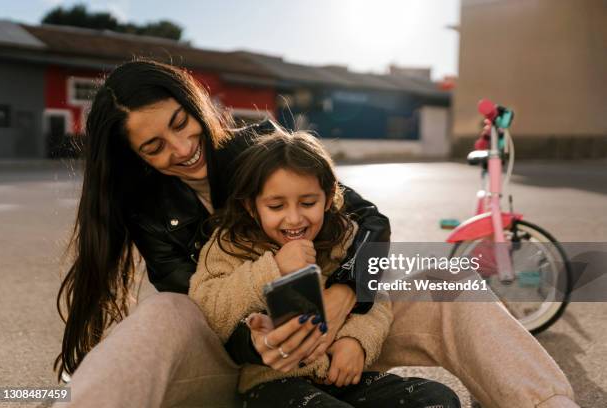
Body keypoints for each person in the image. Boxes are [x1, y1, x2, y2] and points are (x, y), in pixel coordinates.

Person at [54, 59, 578, 408]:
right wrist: (265, 343)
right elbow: (201, 306)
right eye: (155, 147)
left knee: (448, 274)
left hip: (339, 333)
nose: (182, 146)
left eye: (180, 121)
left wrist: (343, 296)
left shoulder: (262, 146)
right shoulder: (144, 210)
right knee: (166, 312)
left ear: (193, 104)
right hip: (239, 361)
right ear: (134, 158)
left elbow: (367, 220)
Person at [188, 130, 461, 407]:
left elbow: (376, 298)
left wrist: (355, 340)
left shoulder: (342, 236)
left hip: (341, 379)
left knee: (438, 399)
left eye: (308, 203)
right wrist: (273, 268)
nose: (294, 218)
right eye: (276, 205)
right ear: (251, 206)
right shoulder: (230, 243)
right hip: (272, 384)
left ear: (329, 198)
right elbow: (207, 307)